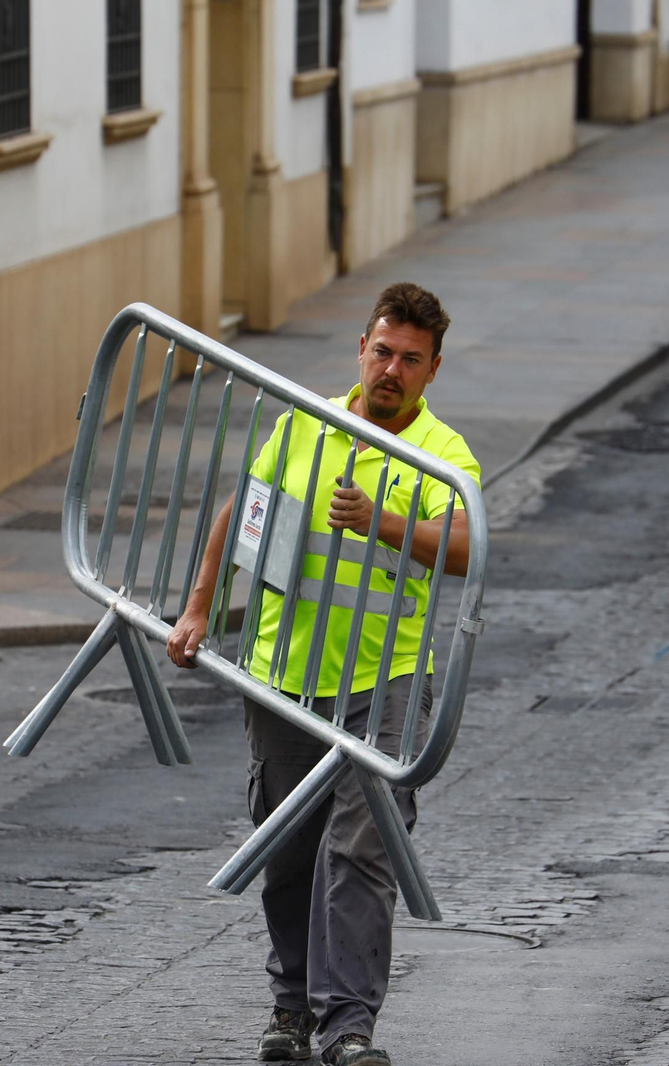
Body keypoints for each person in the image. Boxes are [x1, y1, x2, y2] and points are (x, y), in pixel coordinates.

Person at [165, 282, 478, 1066]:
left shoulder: (442, 454)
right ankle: (292, 1008)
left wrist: (384, 522)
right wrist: (200, 607)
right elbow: (243, 511)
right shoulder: (305, 424)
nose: (392, 371)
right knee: (290, 848)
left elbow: (467, 546)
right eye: (383, 352)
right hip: (285, 675)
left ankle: (348, 1028)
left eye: (410, 360)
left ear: (433, 369)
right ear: (361, 349)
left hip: (385, 682)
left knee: (362, 851)